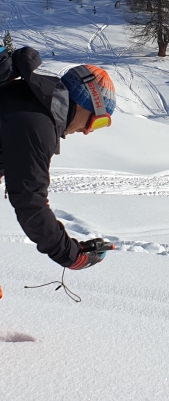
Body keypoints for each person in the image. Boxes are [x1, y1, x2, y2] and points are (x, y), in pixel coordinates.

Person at [0, 47, 115, 270]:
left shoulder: (27, 96)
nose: (87, 131)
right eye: (97, 121)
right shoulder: (37, 125)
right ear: (84, 103)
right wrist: (70, 255)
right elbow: (30, 204)